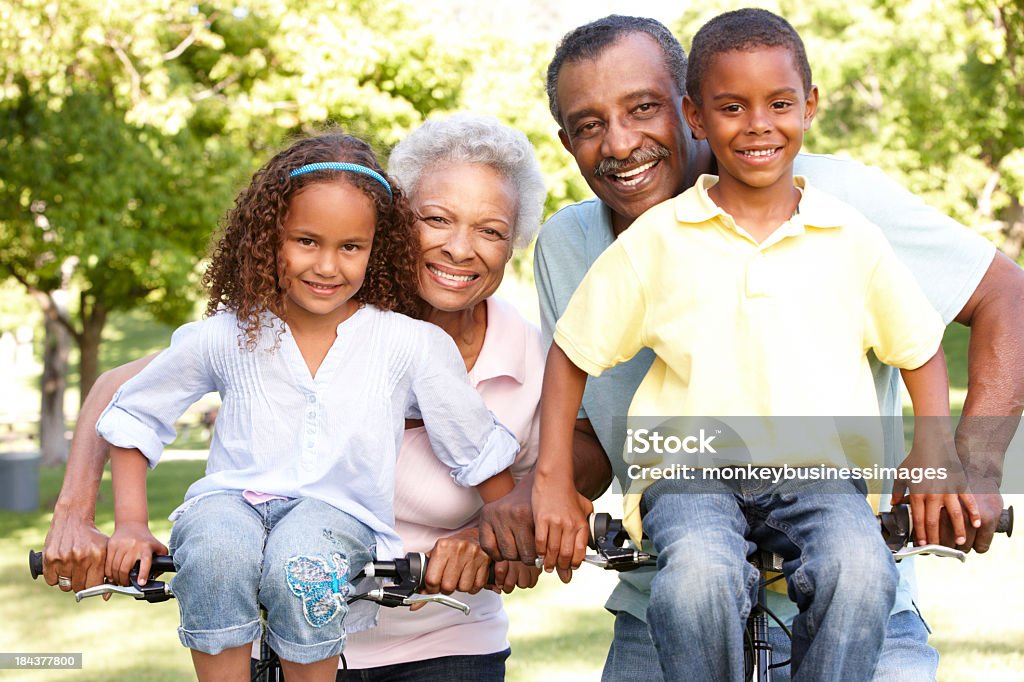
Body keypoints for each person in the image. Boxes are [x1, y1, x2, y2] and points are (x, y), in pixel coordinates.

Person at [480, 13, 1024, 682]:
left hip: (841, 578)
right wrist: (540, 487)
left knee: (856, 572)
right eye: (590, 125)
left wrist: (967, 462)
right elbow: (592, 423)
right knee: (697, 575)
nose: (620, 143)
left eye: (642, 108)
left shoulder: (836, 206)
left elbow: (1007, 299)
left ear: (683, 109)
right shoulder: (571, 246)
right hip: (672, 593)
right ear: (703, 109)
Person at [41, 114, 547, 681]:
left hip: (443, 638)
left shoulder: (468, 349)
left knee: (301, 555)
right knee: (216, 546)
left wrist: (503, 534)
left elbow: (515, 468)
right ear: (402, 224)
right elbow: (128, 396)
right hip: (266, 626)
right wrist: (86, 517)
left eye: (491, 230)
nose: (459, 248)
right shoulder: (250, 329)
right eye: (437, 219)